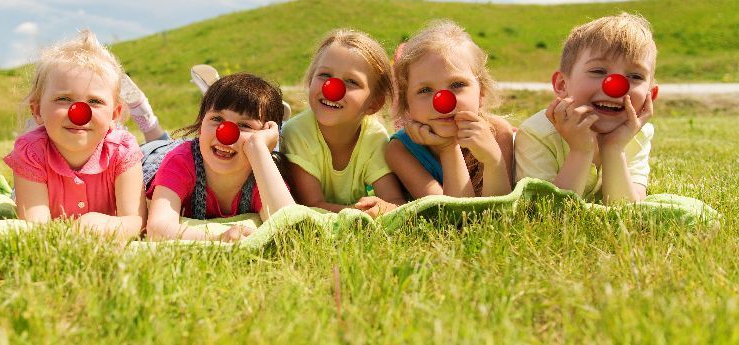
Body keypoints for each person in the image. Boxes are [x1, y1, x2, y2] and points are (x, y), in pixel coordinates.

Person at [4, 30, 146, 241]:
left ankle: (149, 122)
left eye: (95, 102)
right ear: (36, 110)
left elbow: (136, 222)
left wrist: (102, 224)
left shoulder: (122, 150)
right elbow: (36, 229)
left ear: (114, 114)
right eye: (63, 98)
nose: (79, 113)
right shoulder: (30, 152)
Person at [514, 13, 657, 204]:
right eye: (598, 71)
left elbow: (628, 210)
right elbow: (547, 213)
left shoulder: (638, 133)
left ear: (650, 94)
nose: (615, 87)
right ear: (562, 85)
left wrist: (614, 148)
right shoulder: (537, 133)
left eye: (635, 76)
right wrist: (580, 151)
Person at [146, 73, 295, 242]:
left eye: (244, 125)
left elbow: (289, 226)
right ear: (201, 124)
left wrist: (260, 148)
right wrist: (219, 237)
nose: (225, 133)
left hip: (224, 148)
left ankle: (274, 133)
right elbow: (157, 228)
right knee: (159, 144)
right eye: (217, 119)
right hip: (155, 158)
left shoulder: (262, 172)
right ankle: (146, 118)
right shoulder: (181, 161)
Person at [383, 20, 514, 202]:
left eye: (457, 85)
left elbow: (498, 214)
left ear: (481, 93)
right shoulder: (399, 150)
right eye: (425, 90)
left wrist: (493, 161)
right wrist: (448, 147)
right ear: (407, 104)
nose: (443, 102)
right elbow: (454, 215)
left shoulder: (498, 132)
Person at [283, 29, 406, 217]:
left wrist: (383, 207)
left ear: (373, 103)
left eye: (351, 81)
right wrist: (362, 213)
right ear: (310, 81)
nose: (333, 89)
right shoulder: (296, 133)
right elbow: (310, 205)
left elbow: (394, 201)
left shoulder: (374, 136)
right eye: (324, 75)